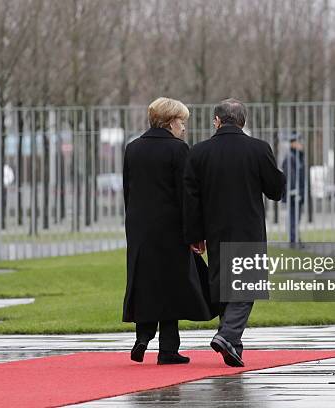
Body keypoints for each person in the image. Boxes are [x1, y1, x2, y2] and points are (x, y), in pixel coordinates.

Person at [183, 98, 286, 367]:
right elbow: (275, 190)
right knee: (245, 285)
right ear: (243, 121)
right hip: (248, 227)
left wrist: (195, 234)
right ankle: (227, 335)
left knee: (223, 286)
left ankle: (233, 346)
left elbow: (190, 198)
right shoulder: (258, 149)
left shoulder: (199, 152)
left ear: (216, 121)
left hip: (214, 230)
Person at [122, 97, 215, 365]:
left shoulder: (133, 148)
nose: (184, 127)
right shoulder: (178, 150)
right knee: (172, 286)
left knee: (145, 282)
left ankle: (143, 337)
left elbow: (129, 191)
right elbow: (186, 195)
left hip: (140, 228)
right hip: (171, 229)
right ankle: (168, 350)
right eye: (182, 122)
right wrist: (195, 234)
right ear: (170, 121)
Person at [281, 132, 305, 243]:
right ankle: (293, 240)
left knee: (296, 217)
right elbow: (290, 177)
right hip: (293, 194)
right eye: (299, 142)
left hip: (298, 193)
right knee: (293, 218)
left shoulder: (298, 156)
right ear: (293, 144)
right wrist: (294, 192)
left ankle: (295, 238)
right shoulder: (290, 158)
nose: (301, 144)